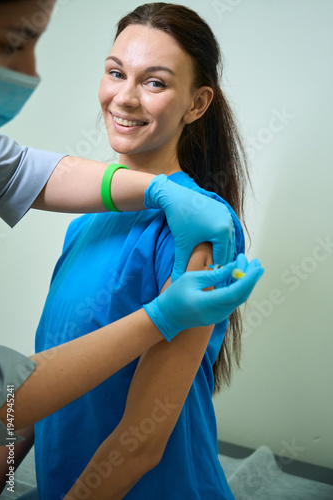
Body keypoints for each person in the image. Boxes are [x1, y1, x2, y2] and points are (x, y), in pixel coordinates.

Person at [24, 3, 261, 499]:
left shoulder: (202, 228)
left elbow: (142, 442)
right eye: (115, 73)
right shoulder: (86, 218)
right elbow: (38, 386)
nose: (124, 98)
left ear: (196, 104)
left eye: (154, 82)